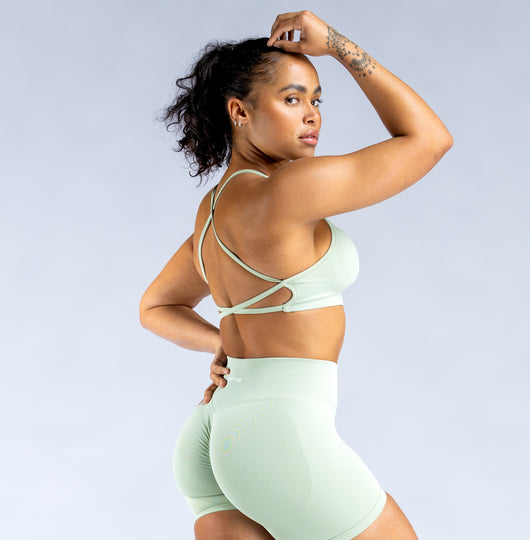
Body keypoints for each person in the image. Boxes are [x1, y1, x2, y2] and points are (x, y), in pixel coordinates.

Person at [140, 10, 452, 540]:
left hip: (216, 431)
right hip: (276, 434)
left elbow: (155, 307)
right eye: (292, 99)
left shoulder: (211, 212)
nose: (312, 116)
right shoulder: (287, 189)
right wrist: (337, 44)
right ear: (239, 110)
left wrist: (222, 343)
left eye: (317, 100)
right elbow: (429, 139)